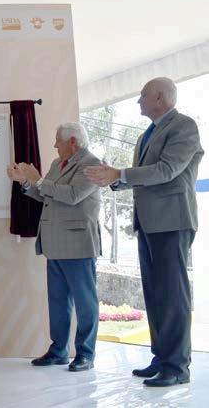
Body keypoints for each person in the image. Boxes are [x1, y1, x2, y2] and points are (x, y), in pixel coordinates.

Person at [84, 77, 204, 387]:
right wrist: (113, 178)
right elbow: (143, 176)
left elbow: (167, 170)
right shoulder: (146, 134)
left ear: (160, 98)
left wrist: (121, 173)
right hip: (149, 222)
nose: (138, 101)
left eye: (143, 95)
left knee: (172, 294)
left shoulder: (184, 126)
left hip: (172, 220)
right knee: (154, 293)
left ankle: (177, 367)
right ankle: (161, 358)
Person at [7, 122, 101, 372]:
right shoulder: (57, 164)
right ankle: (59, 351)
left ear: (73, 141)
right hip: (54, 242)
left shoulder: (92, 164)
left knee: (85, 302)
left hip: (78, 245)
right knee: (58, 302)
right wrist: (26, 182)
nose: (54, 145)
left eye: (58, 140)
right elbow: (44, 194)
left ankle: (86, 354)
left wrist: (38, 180)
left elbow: (72, 195)